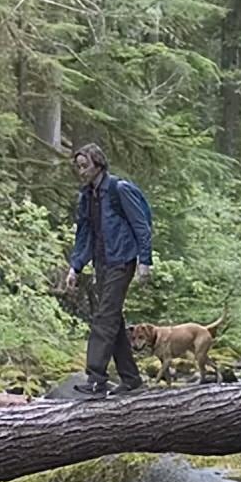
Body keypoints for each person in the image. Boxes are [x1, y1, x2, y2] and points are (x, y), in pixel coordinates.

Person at [65, 143, 153, 396]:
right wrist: (75, 266)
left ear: (98, 164)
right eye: (78, 167)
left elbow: (141, 226)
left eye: (85, 166)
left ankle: (96, 378)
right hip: (102, 264)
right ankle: (131, 378)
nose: (81, 171)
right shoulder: (87, 197)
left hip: (122, 260)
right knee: (113, 318)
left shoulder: (119, 190)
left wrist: (145, 260)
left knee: (104, 318)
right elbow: (85, 234)